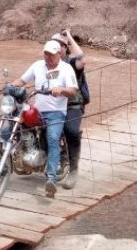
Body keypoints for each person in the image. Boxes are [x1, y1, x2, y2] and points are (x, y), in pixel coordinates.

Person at [11, 39, 78, 198]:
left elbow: (73, 91)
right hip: (38, 110)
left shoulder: (66, 68)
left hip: (56, 112)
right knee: (13, 127)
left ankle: (51, 179)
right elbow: (22, 81)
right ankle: (5, 165)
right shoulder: (37, 65)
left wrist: (60, 89)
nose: (48, 57)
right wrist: (9, 86)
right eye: (46, 53)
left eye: (51, 54)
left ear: (59, 54)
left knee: (53, 138)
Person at [50, 29, 89, 190]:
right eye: (54, 44)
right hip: (53, 104)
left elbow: (83, 59)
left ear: (65, 49)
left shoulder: (72, 63)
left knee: (71, 130)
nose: (57, 48)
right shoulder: (49, 64)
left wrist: (69, 37)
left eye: (61, 45)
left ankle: (73, 170)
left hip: (72, 105)